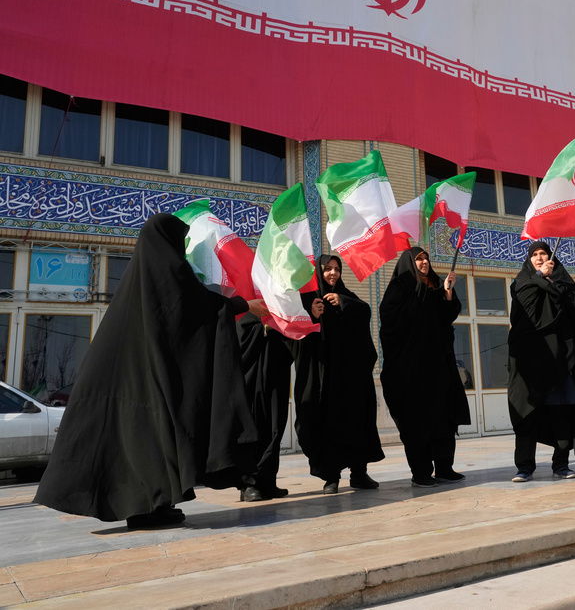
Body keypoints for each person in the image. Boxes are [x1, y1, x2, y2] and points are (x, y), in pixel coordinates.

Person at [35, 213, 263, 529]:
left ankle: (154, 505)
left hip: (131, 379)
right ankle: (147, 508)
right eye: (180, 241)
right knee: (145, 441)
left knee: (142, 442)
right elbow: (195, 309)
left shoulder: (143, 276)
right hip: (139, 381)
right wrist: (243, 305)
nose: (182, 249)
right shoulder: (167, 272)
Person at [506, 240, 575, 482]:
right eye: (535, 255)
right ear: (529, 260)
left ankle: (561, 465)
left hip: (560, 361)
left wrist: (552, 283)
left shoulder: (562, 282)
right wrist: (541, 279)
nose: (540, 258)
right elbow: (527, 307)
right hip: (530, 364)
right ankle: (524, 468)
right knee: (527, 417)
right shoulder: (522, 282)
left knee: (561, 414)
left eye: (544, 253)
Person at [379, 247, 471, 488]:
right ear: (409, 263)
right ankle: (420, 472)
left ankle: (444, 467)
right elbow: (390, 321)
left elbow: (448, 315)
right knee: (417, 421)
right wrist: (423, 293)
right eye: (418, 259)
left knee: (443, 418)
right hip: (412, 371)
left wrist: (448, 294)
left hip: (439, 366)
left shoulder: (438, 285)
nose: (424, 262)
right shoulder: (400, 288)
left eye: (426, 258)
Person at [294, 254, 384, 493]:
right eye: (327, 269)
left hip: (351, 378)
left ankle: (359, 473)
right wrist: (311, 314)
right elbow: (298, 333)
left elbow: (365, 311)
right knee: (326, 423)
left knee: (356, 422)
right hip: (325, 377)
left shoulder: (347, 296)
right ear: (319, 272)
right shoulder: (310, 300)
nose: (333, 273)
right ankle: (331, 476)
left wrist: (342, 300)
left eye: (336, 269)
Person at [235, 314, 294, 502]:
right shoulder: (247, 313)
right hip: (253, 381)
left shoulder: (280, 311)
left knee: (275, 427)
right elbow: (238, 340)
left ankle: (268, 481)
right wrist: (261, 327)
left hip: (276, 376)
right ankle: (249, 484)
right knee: (255, 427)